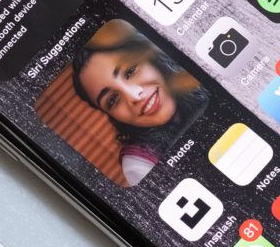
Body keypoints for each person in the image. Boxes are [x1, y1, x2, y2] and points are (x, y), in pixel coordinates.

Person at [70, 19, 205, 185]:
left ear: (151, 59)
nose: (134, 96)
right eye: (112, 100)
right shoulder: (138, 164)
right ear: (111, 116)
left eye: (130, 71)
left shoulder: (199, 60)